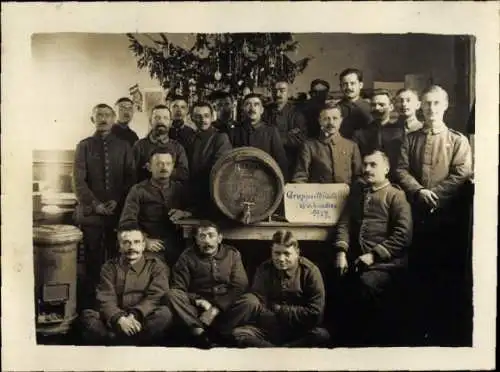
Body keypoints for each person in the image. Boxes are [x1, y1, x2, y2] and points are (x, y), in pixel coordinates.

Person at [395, 85, 473, 344]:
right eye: (427, 104)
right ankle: (417, 329)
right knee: (417, 270)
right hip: (415, 214)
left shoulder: (457, 140)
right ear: (421, 107)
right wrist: (419, 191)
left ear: (445, 106)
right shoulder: (411, 139)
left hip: (446, 218)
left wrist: (435, 194)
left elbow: (461, 173)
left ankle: (444, 330)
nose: (431, 109)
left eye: (436, 103)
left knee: (445, 271)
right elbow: (401, 169)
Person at [333, 150, 412, 344]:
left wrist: (374, 256)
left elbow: (403, 234)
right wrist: (341, 252)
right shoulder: (359, 194)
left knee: (366, 285)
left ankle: (371, 344)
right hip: (357, 259)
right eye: (365, 165)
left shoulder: (396, 196)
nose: (367, 169)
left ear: (386, 169)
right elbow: (345, 223)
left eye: (373, 165)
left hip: (387, 264)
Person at [73, 103, 136, 302]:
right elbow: (78, 180)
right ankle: (93, 300)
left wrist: (117, 201)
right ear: (92, 119)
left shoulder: (124, 146)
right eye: (99, 115)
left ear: (113, 118)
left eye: (108, 115)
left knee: (117, 255)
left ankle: (115, 298)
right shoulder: (84, 145)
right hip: (92, 214)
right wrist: (94, 204)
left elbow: (130, 179)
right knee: (92, 257)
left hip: (117, 213)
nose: (104, 118)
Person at [229, 230, 330, 348]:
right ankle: (282, 350)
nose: (281, 259)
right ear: (271, 252)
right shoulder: (264, 269)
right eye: (277, 253)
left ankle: (274, 350)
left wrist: (280, 309)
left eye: (287, 253)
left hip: (299, 330)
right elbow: (259, 303)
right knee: (238, 334)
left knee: (322, 335)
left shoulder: (310, 272)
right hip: (270, 329)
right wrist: (271, 319)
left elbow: (315, 314)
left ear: (297, 253)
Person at [80, 227, 172, 346]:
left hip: (143, 318)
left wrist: (135, 315)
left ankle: (123, 343)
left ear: (143, 245)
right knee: (88, 316)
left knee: (164, 314)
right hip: (115, 318)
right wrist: (120, 318)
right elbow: (105, 297)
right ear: (120, 246)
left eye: (136, 242)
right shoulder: (109, 267)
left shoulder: (156, 266)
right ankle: (121, 342)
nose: (131, 247)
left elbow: (155, 297)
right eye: (126, 242)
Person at [165, 221, 249, 348]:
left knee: (250, 301)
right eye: (202, 236)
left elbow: (240, 285)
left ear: (219, 238)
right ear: (196, 239)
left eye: (211, 235)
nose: (207, 241)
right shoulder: (187, 257)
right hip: (198, 308)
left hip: (226, 305)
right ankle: (199, 332)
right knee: (172, 295)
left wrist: (215, 309)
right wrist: (198, 300)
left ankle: (222, 333)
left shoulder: (232, 254)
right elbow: (178, 288)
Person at [120, 148, 192, 267]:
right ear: (149, 167)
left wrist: (184, 213)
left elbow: (195, 209)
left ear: (173, 167)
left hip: (176, 246)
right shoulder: (138, 190)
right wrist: (144, 241)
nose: (164, 167)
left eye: (168, 164)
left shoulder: (179, 189)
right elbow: (127, 222)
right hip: (148, 246)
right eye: (159, 164)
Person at [292, 103, 362, 185]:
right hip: (318, 196)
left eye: (335, 118)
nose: (331, 123)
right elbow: (300, 177)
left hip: (347, 196)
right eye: (326, 119)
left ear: (341, 120)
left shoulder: (351, 146)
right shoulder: (309, 146)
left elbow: (358, 177)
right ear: (319, 121)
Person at [187, 101, 233, 218]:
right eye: (198, 116)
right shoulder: (191, 139)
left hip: (212, 193)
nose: (203, 120)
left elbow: (220, 167)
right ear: (192, 118)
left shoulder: (221, 138)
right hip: (192, 194)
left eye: (206, 116)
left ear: (212, 117)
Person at [231, 93, 289, 179]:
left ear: (261, 110)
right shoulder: (234, 132)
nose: (252, 108)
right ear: (243, 109)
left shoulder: (271, 131)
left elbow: (281, 162)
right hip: (240, 179)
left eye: (256, 104)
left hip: (265, 180)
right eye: (248, 104)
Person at [353, 89, 404, 182]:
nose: (377, 108)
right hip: (367, 182)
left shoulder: (400, 132)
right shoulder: (359, 134)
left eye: (381, 104)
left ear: (391, 107)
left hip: (395, 182)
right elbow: (356, 164)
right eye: (373, 105)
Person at [132, 104, 189, 183]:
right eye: (157, 118)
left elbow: (184, 174)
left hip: (171, 194)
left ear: (170, 122)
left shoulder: (178, 148)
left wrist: (159, 170)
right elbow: (131, 173)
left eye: (165, 118)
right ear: (150, 121)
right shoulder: (139, 146)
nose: (161, 121)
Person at [264, 80, 308, 181]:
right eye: (274, 91)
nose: (277, 94)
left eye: (282, 90)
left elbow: (301, 139)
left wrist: (274, 138)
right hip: (267, 160)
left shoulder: (297, 114)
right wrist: (287, 135)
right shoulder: (265, 112)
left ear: (289, 93)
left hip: (289, 163)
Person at [338, 68, 373, 139]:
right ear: (341, 87)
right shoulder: (336, 109)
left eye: (352, 83)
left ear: (360, 85)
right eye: (345, 84)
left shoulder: (371, 108)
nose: (349, 87)